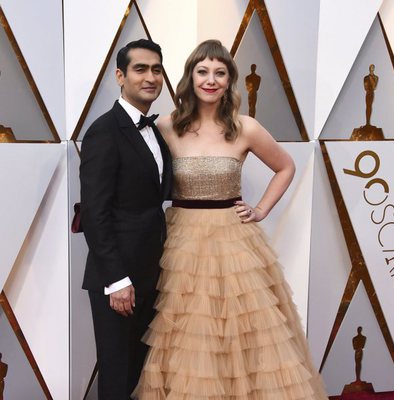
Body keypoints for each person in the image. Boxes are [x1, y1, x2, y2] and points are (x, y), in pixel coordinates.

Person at [133, 39, 327, 399]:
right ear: (190, 77)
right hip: (182, 239)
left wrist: (261, 209)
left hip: (233, 239)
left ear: (229, 80)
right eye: (203, 71)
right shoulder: (165, 125)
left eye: (220, 73)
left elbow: (285, 166)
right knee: (190, 331)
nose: (211, 79)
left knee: (244, 332)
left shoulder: (245, 127)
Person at [80, 38, 172, 400]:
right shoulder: (104, 130)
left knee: (141, 374)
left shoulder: (157, 130)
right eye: (140, 69)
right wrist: (117, 280)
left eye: (156, 69)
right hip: (117, 277)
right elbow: (94, 213)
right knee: (118, 375)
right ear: (120, 76)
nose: (150, 77)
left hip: (153, 270)